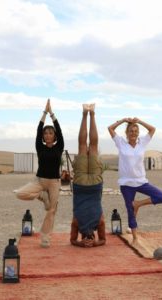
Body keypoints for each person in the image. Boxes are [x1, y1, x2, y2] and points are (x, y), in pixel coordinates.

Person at [108, 117, 162, 246]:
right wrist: (123, 120)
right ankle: (135, 238)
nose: (133, 133)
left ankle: (138, 204)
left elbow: (152, 129)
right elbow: (110, 128)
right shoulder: (120, 143)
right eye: (131, 131)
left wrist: (139, 121)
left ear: (138, 133)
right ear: (127, 133)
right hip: (126, 184)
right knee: (130, 210)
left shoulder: (143, 142)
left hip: (141, 181)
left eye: (135, 131)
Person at [15, 99, 64, 248]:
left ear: (54, 136)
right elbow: (38, 129)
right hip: (40, 181)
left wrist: (52, 114)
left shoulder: (59, 147)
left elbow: (59, 129)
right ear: (43, 137)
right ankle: (41, 195)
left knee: (52, 210)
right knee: (20, 194)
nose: (48, 135)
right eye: (46, 133)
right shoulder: (40, 147)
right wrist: (44, 113)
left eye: (50, 133)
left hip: (54, 182)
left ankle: (45, 237)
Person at [70, 104, 106, 248]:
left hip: (94, 186)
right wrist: (82, 244)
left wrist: (95, 243)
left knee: (93, 146)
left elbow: (103, 240)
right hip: (80, 185)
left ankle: (91, 114)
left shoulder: (99, 222)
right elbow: (73, 241)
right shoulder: (76, 223)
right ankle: (86, 114)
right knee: (83, 146)